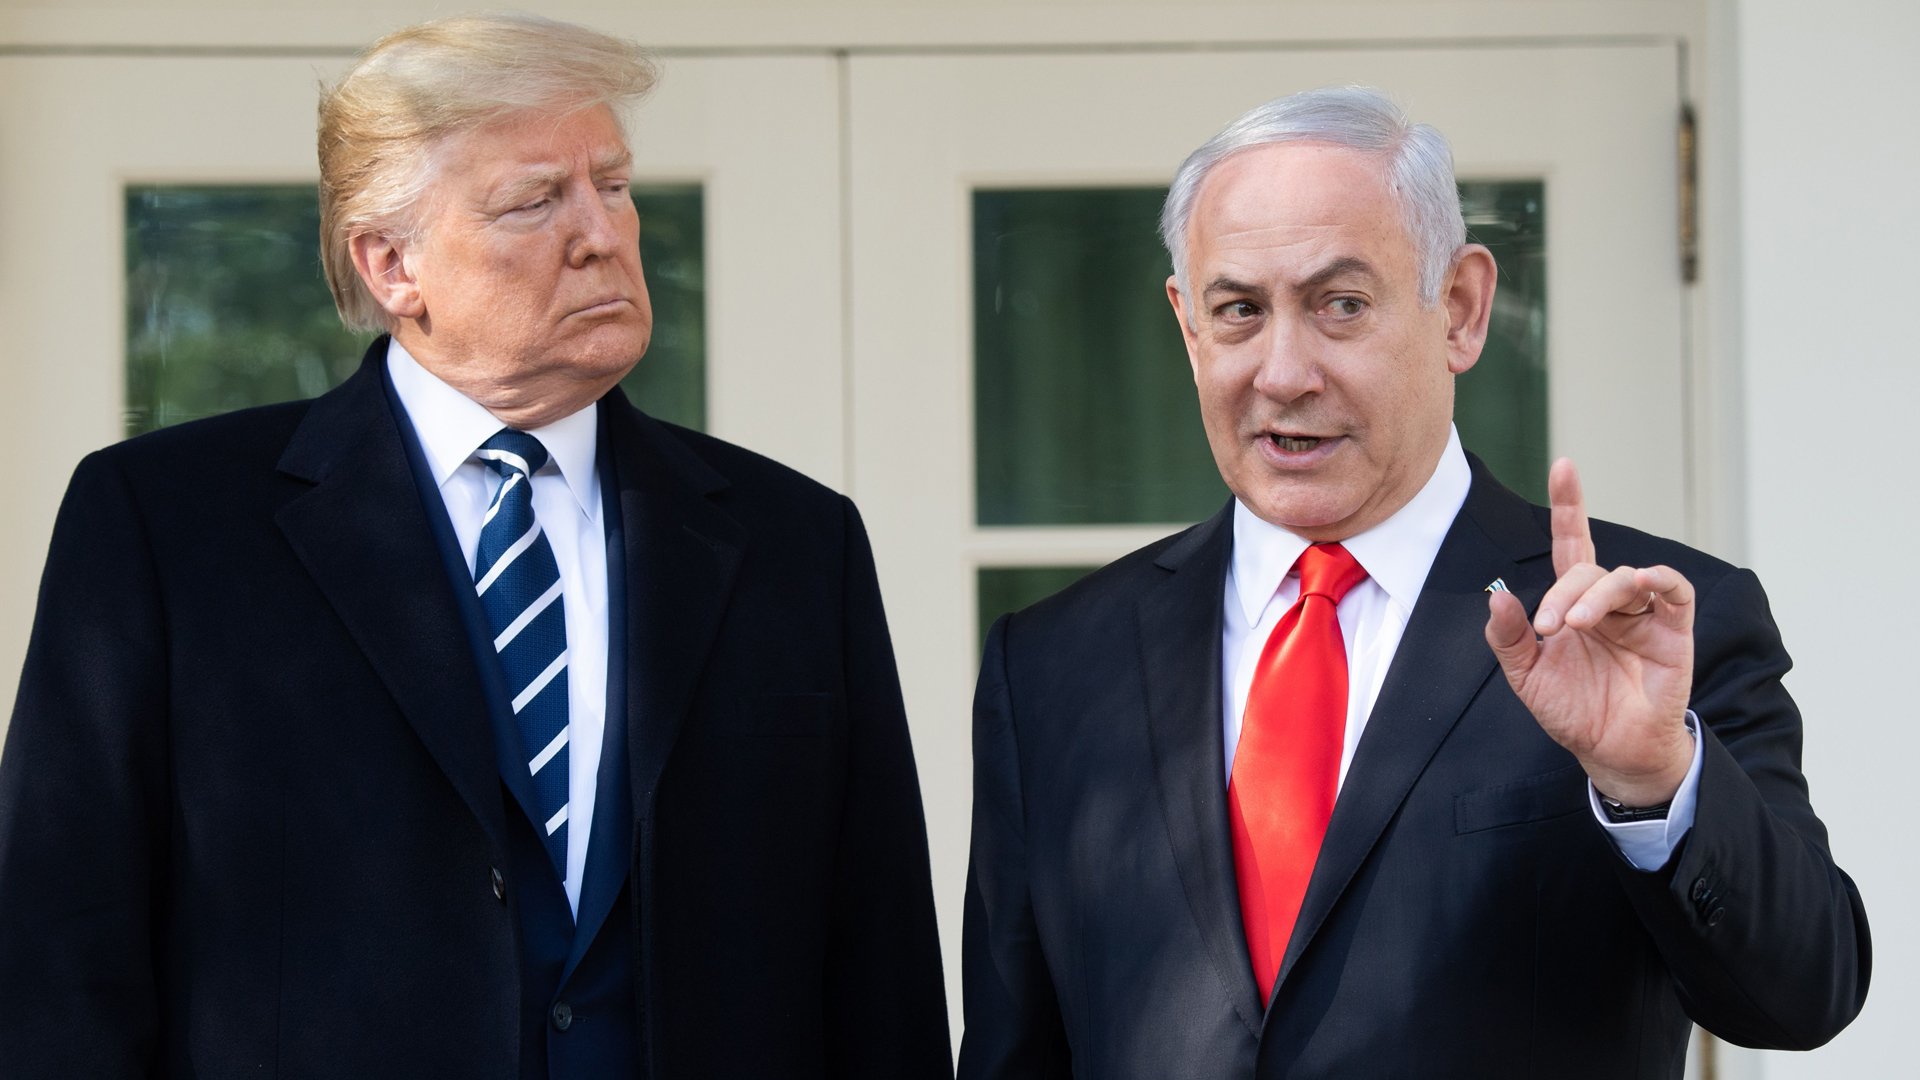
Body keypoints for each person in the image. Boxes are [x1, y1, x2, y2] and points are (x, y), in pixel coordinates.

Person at [0, 14, 950, 1079]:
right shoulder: (163, 527)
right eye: (535, 201)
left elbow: (882, 985)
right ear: (393, 264)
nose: (602, 232)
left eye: (615, 184)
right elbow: (58, 967)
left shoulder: (796, 542)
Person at [958, 86, 1868, 1078]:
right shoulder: (1050, 664)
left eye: (1339, 304)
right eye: (1239, 312)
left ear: (1462, 311)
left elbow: (1802, 994)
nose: (1284, 370)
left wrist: (1654, 779)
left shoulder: (1638, 624)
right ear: (1186, 326)